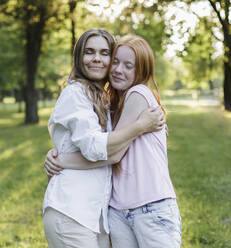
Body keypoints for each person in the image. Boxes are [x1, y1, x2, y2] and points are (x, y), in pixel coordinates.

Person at [45, 34, 181, 248]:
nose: (118, 69)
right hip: (110, 211)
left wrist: (63, 160)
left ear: (142, 71)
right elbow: (100, 147)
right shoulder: (97, 99)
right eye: (116, 61)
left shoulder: (136, 93)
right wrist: (60, 158)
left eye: (129, 65)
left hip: (147, 207)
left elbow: (112, 152)